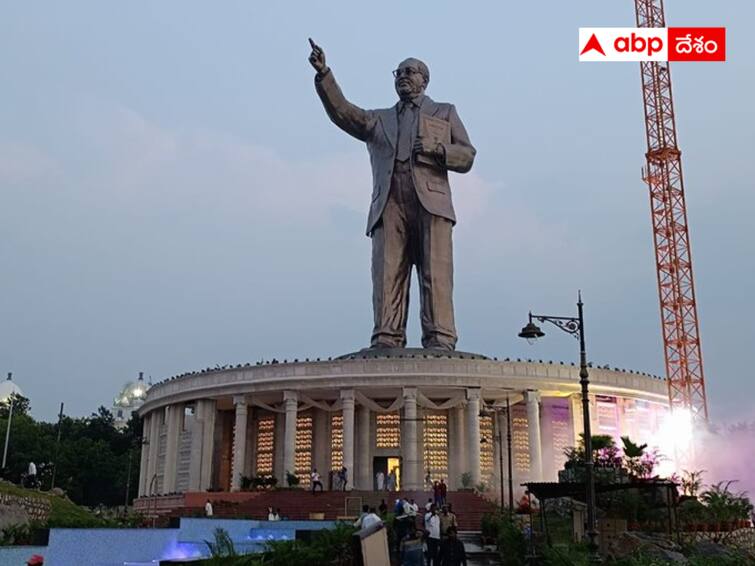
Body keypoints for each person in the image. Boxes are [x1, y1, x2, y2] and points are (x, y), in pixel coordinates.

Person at [309, 40, 476, 351]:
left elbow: (467, 155)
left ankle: (440, 337)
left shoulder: (444, 112)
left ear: (424, 80)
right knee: (387, 274)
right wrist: (324, 75)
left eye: (409, 71)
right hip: (390, 201)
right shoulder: (378, 119)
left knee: (435, 274)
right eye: (398, 72)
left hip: (431, 201)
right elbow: (344, 113)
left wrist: (439, 150)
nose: (402, 76)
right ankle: (387, 337)